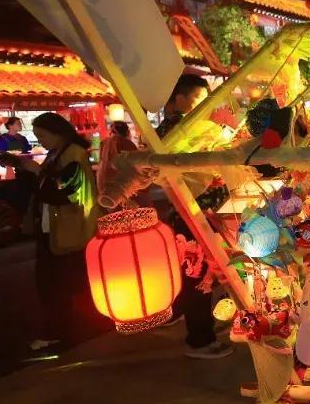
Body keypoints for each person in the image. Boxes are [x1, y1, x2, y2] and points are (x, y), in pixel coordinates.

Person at [0, 113, 108, 351]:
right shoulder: (59, 153)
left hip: (69, 230)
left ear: (58, 133)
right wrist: (24, 169)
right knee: (62, 284)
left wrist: (36, 172)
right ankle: (74, 328)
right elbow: (44, 188)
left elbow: (66, 195)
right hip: (55, 228)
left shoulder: (73, 155)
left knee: (56, 285)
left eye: (42, 136)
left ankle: (61, 332)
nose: (41, 141)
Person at [156, 74, 234, 359]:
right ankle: (199, 339)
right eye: (197, 100)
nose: (202, 106)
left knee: (204, 274)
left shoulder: (185, 126)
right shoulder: (179, 127)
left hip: (198, 210)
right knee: (198, 274)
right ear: (178, 98)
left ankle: (202, 326)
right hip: (192, 212)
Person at [97, 121, 138, 189]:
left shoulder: (103, 142)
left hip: (102, 180)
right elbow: (135, 164)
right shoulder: (127, 143)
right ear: (127, 132)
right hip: (118, 184)